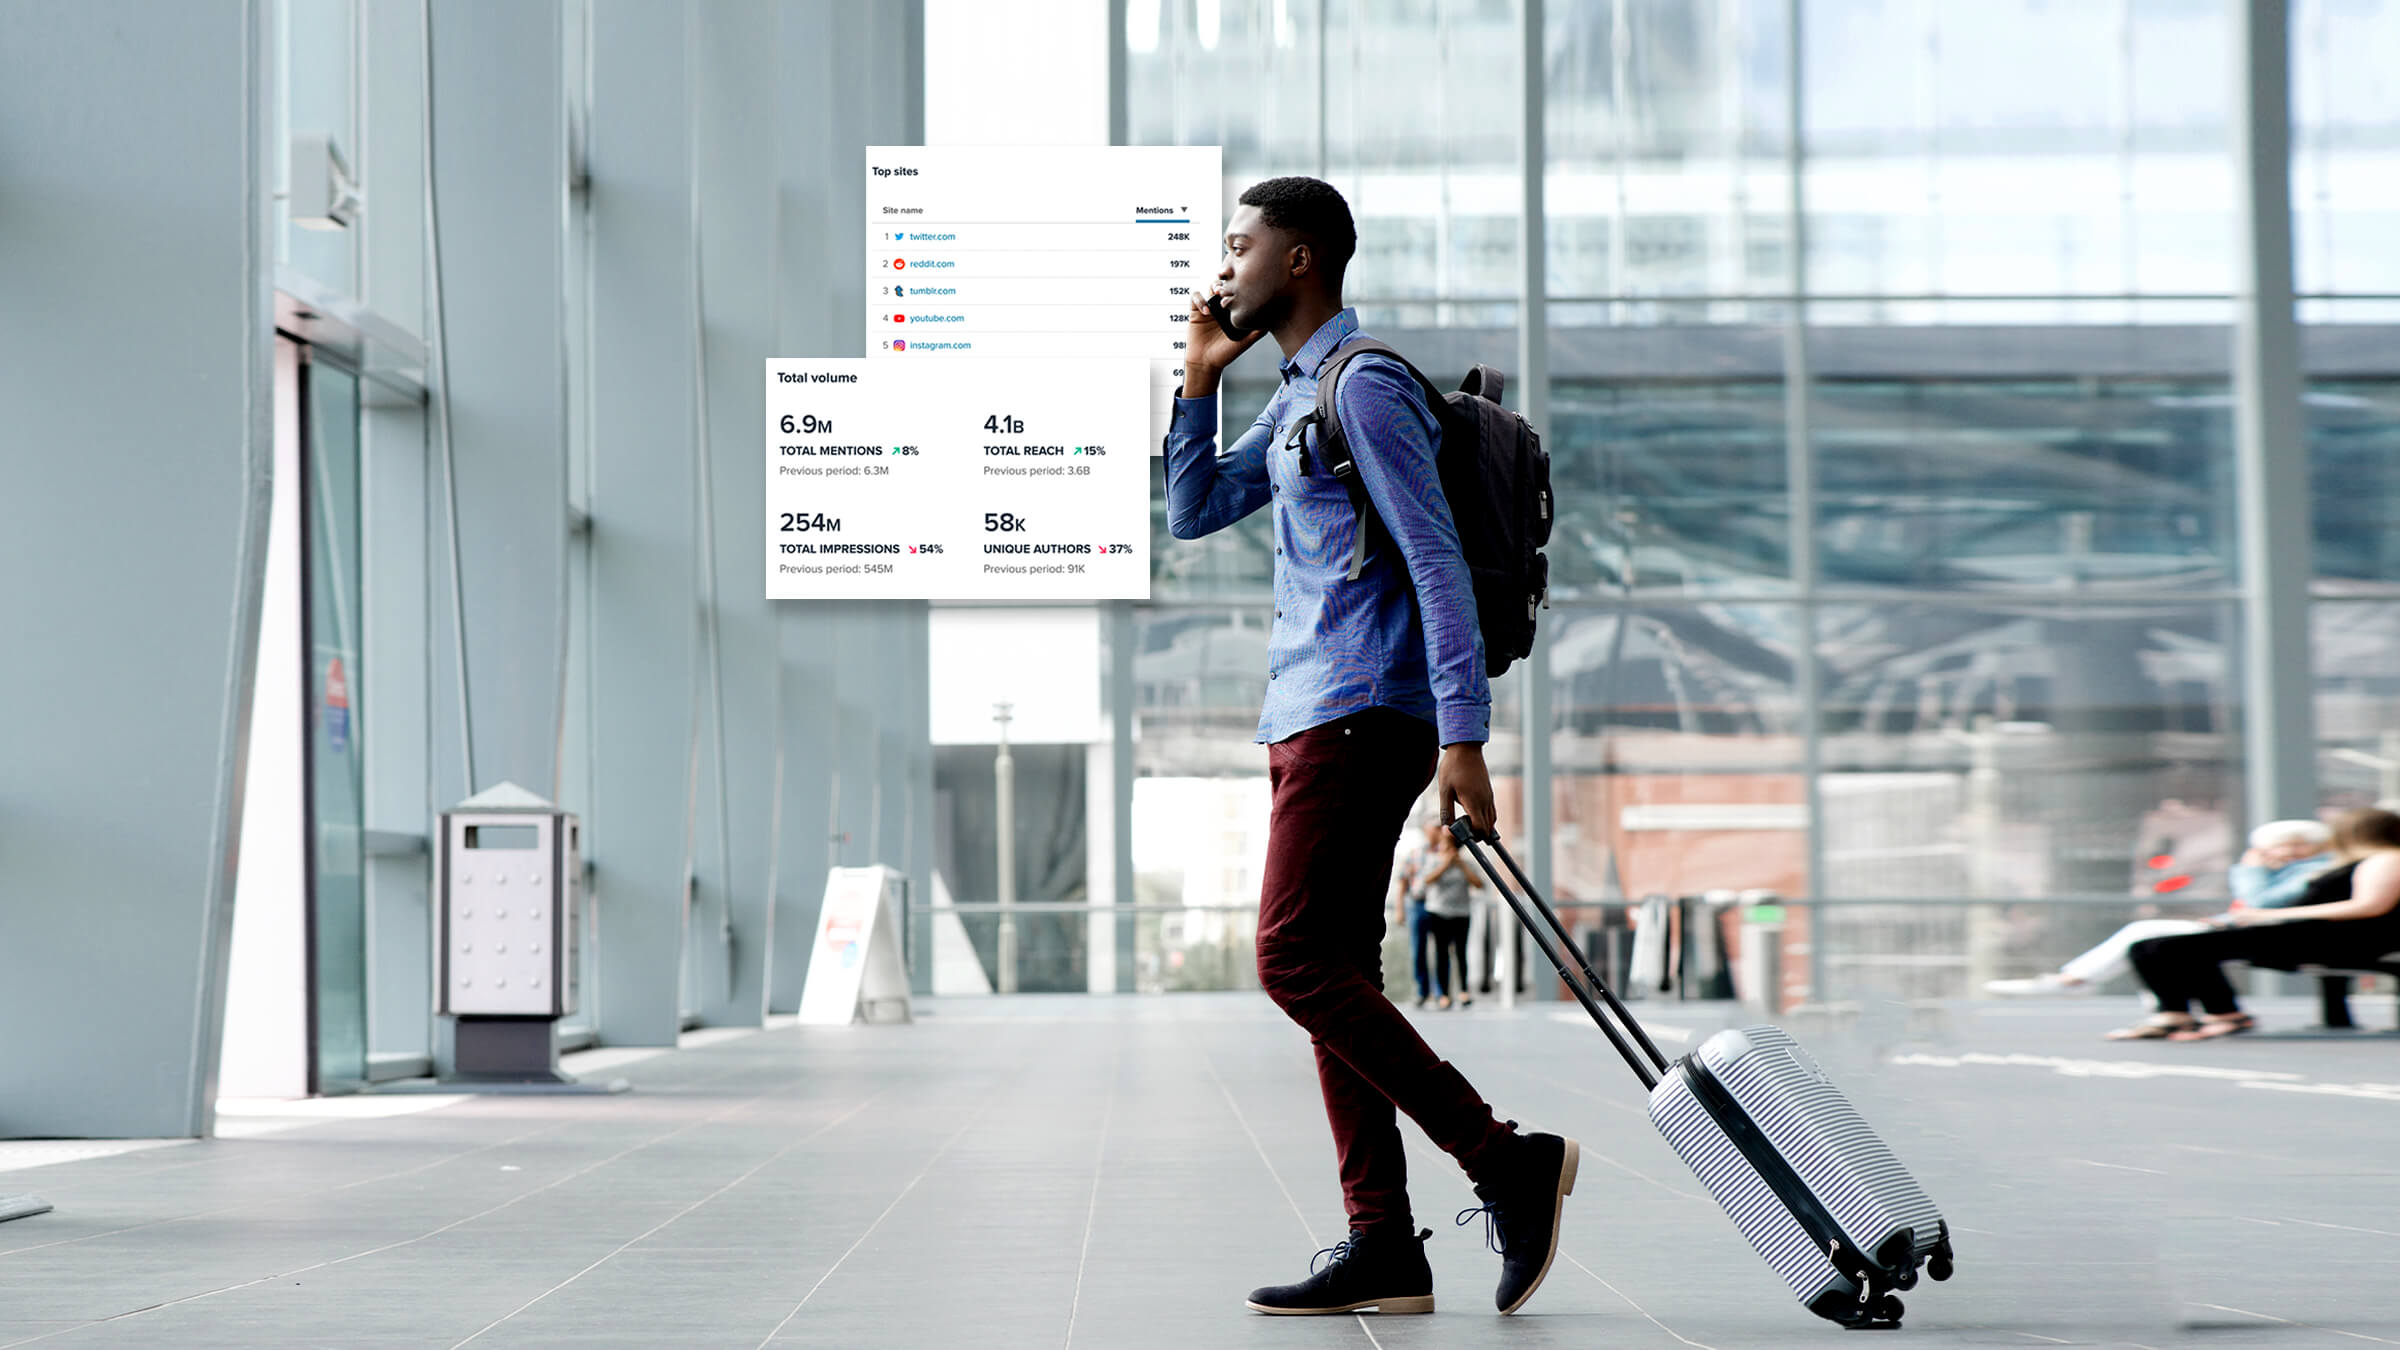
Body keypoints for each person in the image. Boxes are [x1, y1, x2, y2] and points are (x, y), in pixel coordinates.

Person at [1165, 175, 1578, 1319]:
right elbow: (1194, 510)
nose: (1224, 265)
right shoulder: (1295, 392)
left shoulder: (1367, 385)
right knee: (1335, 972)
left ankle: (1505, 1161)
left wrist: (1464, 738)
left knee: (1292, 960)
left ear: (1299, 261)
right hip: (1311, 712)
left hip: (1364, 708)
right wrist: (1200, 381)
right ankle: (1384, 1243)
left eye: (1241, 246)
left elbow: (1437, 561)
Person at [2106, 807, 2400, 1041]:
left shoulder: (2387, 859)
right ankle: (2174, 1014)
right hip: (2306, 932)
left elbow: (2370, 906)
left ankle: (2225, 1015)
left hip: (2333, 938)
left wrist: (2270, 916)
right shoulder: (2353, 862)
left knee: (2177, 949)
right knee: (2148, 948)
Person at [1985, 819, 2337, 997]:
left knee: (2149, 937)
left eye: (2294, 846)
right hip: (2258, 929)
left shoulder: (2310, 869)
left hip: (2277, 935)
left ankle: (2073, 981)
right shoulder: (2296, 869)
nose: (2284, 853)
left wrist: (2250, 868)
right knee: (2149, 941)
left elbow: (2261, 903)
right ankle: (2089, 985)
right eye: (2278, 847)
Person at [1420, 824, 1482, 1009]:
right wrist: (1445, 864)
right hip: (1438, 911)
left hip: (1461, 912)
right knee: (1441, 953)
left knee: (1461, 953)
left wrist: (1460, 864)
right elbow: (1426, 880)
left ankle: (1463, 991)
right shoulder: (1433, 861)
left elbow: (1478, 884)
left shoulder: (1467, 864)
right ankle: (1444, 994)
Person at [1391, 822, 1442, 1009]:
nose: (1438, 830)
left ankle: (1440, 992)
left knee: (1441, 949)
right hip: (1418, 903)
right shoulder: (1415, 854)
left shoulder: (1446, 853)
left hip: (1440, 904)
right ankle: (1422, 991)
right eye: (1434, 827)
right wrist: (1399, 909)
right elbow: (1402, 883)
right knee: (1418, 949)